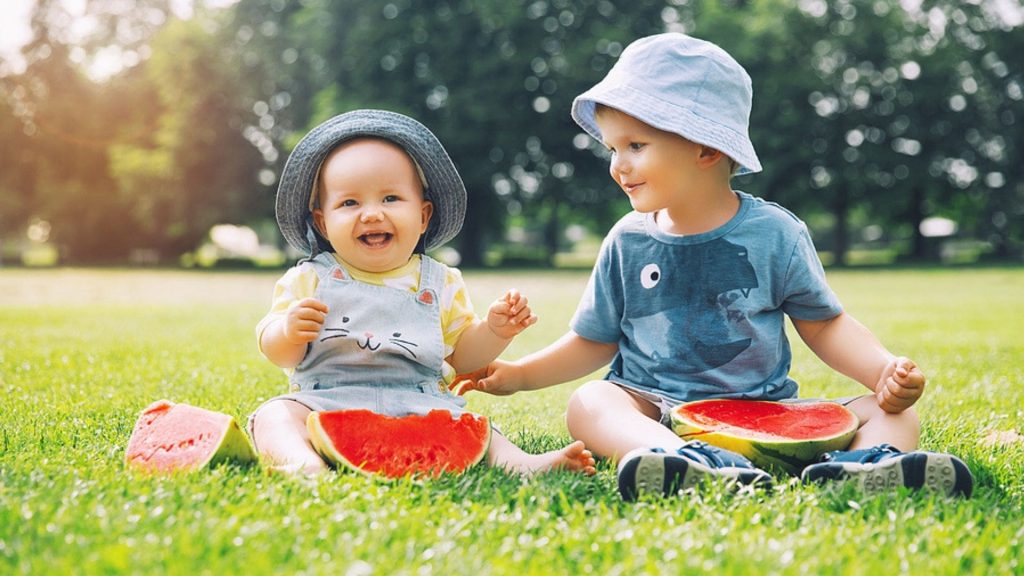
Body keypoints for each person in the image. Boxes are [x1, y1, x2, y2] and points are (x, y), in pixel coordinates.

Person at [461, 34, 973, 499]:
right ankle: (679, 461)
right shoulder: (626, 241)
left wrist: (882, 370)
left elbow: (824, 324)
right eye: (613, 148)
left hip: (766, 410)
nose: (618, 164)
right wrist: (521, 375)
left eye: (636, 146)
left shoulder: (777, 234)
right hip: (655, 410)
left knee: (891, 411)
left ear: (706, 147)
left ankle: (867, 466)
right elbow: (595, 340)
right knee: (591, 402)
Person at [251, 109, 595, 477]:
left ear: (424, 215)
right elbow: (272, 346)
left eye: (390, 198)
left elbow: (462, 357)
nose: (370, 214)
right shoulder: (308, 278)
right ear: (322, 222)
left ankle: (524, 464)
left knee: (477, 426)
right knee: (276, 415)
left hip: (419, 401)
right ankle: (301, 463)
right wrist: (287, 332)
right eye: (349, 203)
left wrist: (495, 332)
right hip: (324, 399)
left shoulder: (440, 282)